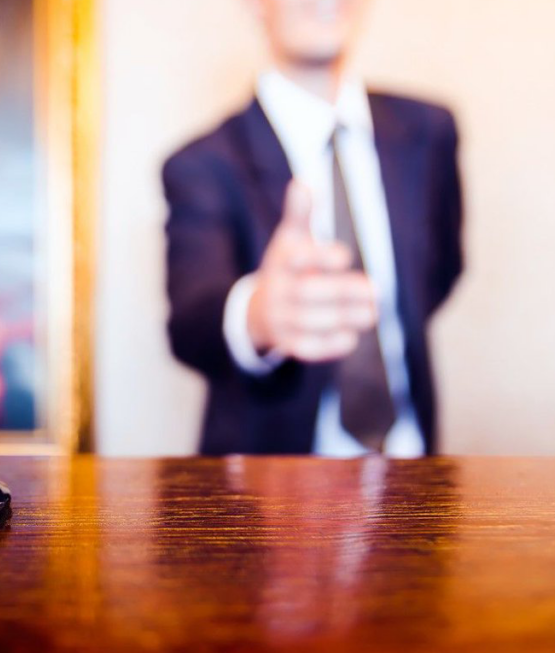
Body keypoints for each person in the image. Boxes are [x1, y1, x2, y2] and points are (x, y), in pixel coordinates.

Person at [163, 0, 463, 455]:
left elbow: (441, 271)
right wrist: (258, 315)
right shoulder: (202, 164)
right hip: (270, 490)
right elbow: (191, 323)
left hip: (414, 465)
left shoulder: (430, 131)